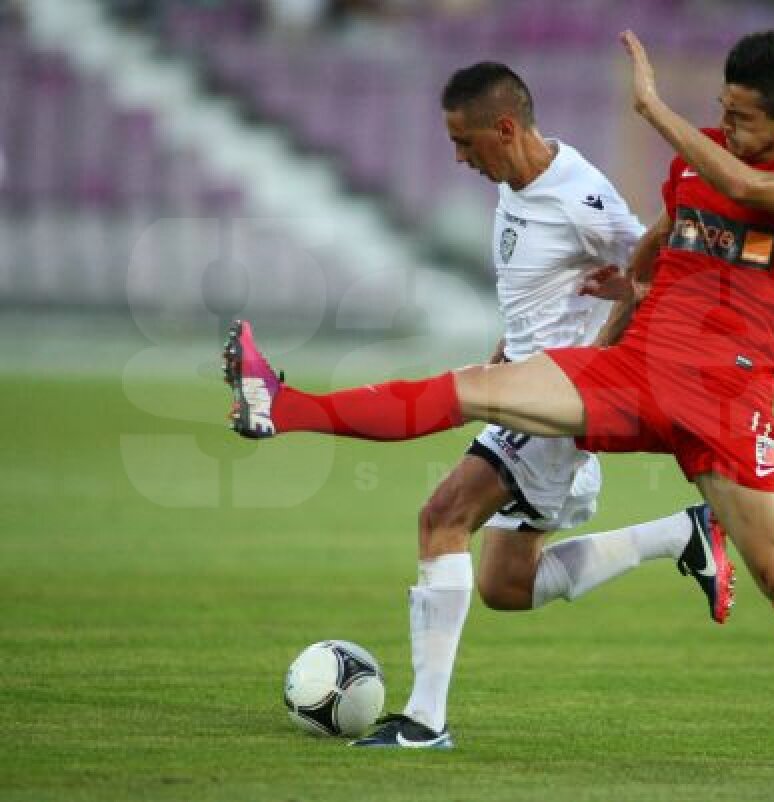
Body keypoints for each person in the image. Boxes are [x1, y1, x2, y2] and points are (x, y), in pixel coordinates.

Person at [224, 31, 774, 773]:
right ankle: (282, 406)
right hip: (637, 366)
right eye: (721, 109)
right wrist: (627, 294)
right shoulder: (697, 163)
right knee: (473, 393)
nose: (726, 126)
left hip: (727, 391)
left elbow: (752, 192)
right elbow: (659, 235)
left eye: (742, 117)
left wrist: (651, 106)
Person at [228, 62, 734, 750]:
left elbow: (659, 273)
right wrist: (513, 343)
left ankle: (424, 720)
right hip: (528, 392)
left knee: (442, 516)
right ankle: (682, 533)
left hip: (560, 407)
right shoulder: (515, 184)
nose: (458, 157)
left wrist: (606, 346)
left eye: (466, 142)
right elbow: (549, 288)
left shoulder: (580, 196)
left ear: (504, 128)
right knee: (505, 584)